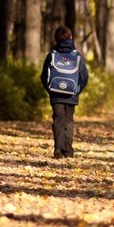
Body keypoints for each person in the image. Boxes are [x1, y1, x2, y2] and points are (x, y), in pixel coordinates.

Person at [41, 26, 88, 159]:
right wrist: (76, 91)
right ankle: (68, 151)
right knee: (68, 121)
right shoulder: (77, 56)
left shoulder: (52, 55)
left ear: (55, 39)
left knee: (58, 120)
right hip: (71, 95)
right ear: (70, 38)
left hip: (56, 95)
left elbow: (44, 76)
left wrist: (50, 90)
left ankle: (58, 149)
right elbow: (84, 77)